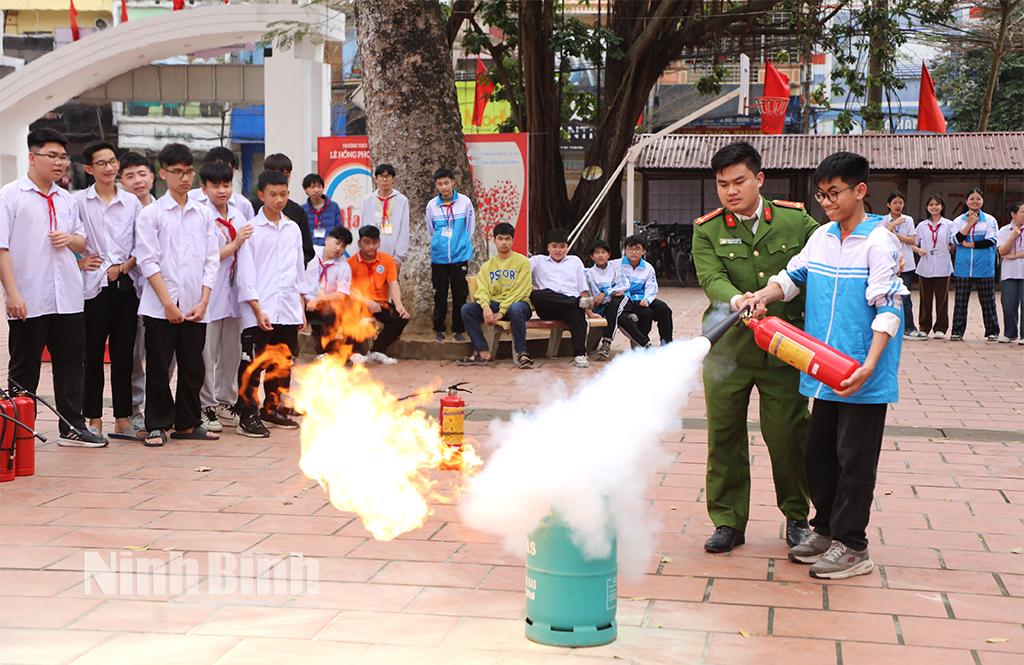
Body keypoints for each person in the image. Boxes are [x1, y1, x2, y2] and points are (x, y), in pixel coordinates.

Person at [748, 151, 906, 580]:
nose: (827, 203)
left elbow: (889, 309)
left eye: (834, 193)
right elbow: (791, 278)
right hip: (822, 369)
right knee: (818, 454)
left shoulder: (879, 242)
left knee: (854, 457)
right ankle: (824, 529)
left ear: (860, 191)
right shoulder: (821, 238)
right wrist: (760, 296)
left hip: (860, 375)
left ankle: (853, 544)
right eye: (822, 195)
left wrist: (870, 365)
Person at [691, 141, 817, 554]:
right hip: (728, 351)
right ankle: (728, 521)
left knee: (788, 436)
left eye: (739, 181)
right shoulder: (707, 229)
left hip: (784, 349)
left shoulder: (795, 221)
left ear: (759, 179)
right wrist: (738, 299)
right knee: (723, 436)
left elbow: (826, 252)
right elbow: (712, 280)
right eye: (722, 184)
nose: (730, 191)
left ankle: (797, 517)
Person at [0, 128, 106, 447]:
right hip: (29, 297)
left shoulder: (65, 199)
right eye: (52, 156)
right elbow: (1, 248)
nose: (60, 163)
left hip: (69, 298)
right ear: (32, 157)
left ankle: (72, 427)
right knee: (24, 367)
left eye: (63, 157)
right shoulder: (11, 195)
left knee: (72, 365)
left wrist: (70, 240)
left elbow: (81, 239)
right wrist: (13, 293)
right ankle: (19, 431)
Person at [134, 143, 220, 447]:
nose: (185, 178)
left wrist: (204, 300)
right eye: (177, 172)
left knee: (193, 366)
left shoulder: (203, 213)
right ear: (163, 174)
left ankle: (187, 423)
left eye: (188, 171)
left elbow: (212, 259)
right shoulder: (152, 214)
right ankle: (157, 424)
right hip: (160, 307)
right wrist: (168, 303)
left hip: (196, 305)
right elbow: (148, 261)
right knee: (158, 366)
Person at [75, 140, 143, 441]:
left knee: (124, 355)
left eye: (112, 161)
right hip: (92, 289)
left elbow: (142, 245)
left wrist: (124, 267)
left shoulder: (132, 203)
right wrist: (81, 262)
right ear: (89, 168)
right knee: (91, 356)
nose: (109, 167)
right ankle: (92, 419)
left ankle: (123, 419)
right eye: (101, 163)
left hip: (125, 288)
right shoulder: (78, 202)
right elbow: (72, 241)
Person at [235, 170, 310, 437]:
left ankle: (273, 407)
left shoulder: (292, 228)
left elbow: (299, 270)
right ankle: (248, 414)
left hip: (287, 307)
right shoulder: (252, 231)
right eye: (273, 195)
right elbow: (246, 274)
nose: (279, 200)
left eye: (284, 194)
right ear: (261, 195)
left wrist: (301, 305)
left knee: (283, 362)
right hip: (261, 307)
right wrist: (256, 308)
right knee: (255, 364)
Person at [197, 161, 251, 434]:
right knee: (207, 352)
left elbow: (248, 257)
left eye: (227, 185)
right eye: (216, 185)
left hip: (234, 294)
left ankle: (224, 401)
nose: (222, 190)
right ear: (203, 187)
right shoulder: (200, 216)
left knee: (231, 351)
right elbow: (205, 257)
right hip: (209, 292)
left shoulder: (239, 216)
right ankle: (205, 404)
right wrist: (234, 244)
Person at [458, 222, 533, 368]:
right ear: (495, 240)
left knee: (516, 309)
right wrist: (486, 307)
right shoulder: (487, 266)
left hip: (518, 305)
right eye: (500, 238)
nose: (504, 242)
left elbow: (521, 291)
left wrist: (501, 312)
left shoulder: (522, 262)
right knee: (467, 309)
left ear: (512, 240)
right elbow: (482, 290)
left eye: (507, 238)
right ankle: (483, 351)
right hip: (495, 304)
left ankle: (521, 353)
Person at [120, 151, 156, 433]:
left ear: (153, 177)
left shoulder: (164, 209)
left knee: (163, 356)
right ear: (121, 181)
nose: (137, 181)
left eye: (142, 174)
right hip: (131, 293)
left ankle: (159, 405)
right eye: (130, 176)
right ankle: (134, 409)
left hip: (162, 295)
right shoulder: (123, 212)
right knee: (133, 355)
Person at [529, 229, 593, 368]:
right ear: (548, 247)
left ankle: (580, 354)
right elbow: (521, 272)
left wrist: (589, 312)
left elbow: (582, 288)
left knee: (577, 314)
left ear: (567, 247)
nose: (558, 250)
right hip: (548, 306)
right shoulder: (537, 261)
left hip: (569, 307)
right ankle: (575, 302)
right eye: (554, 246)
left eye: (562, 247)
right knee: (537, 295)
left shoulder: (575, 261)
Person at [347, 225, 410, 364]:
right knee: (348, 315)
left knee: (401, 318)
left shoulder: (387, 260)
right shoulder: (350, 263)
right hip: (360, 303)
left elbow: (393, 283)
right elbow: (348, 290)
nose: (371, 246)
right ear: (359, 243)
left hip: (380, 304)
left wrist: (399, 305)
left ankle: (377, 351)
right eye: (367, 242)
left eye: (374, 242)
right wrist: (366, 302)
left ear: (379, 242)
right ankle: (354, 352)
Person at [425, 167, 474, 342]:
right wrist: (439, 245)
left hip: (459, 256)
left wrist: (460, 245)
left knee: (460, 293)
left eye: (447, 183)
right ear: (436, 186)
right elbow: (431, 229)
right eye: (440, 184)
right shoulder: (432, 205)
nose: (444, 187)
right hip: (439, 258)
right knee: (440, 293)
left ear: (453, 182)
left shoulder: (465, 202)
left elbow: (470, 228)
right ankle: (438, 328)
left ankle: (459, 329)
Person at [950, 187, 1000, 341]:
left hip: (984, 266)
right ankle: (957, 331)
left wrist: (970, 245)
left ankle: (992, 331)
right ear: (966, 201)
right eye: (972, 198)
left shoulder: (990, 220)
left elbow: (991, 240)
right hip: (963, 267)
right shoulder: (959, 220)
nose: (975, 201)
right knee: (960, 301)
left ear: (982, 201)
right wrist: (969, 224)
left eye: (978, 198)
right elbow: (954, 240)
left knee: (988, 301)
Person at [586, 239, 646, 360]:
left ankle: (606, 344)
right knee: (623, 319)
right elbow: (593, 296)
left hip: (622, 301)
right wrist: (610, 293)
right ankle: (646, 345)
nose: (600, 255)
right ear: (592, 257)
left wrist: (605, 292)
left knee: (615, 303)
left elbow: (624, 285)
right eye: (597, 253)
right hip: (604, 307)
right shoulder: (588, 273)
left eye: (603, 252)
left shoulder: (616, 267)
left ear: (609, 255)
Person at [882, 192, 926, 340]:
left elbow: (911, 240)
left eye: (900, 202)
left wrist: (895, 234)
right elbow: (882, 237)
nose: (898, 205)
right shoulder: (883, 220)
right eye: (895, 203)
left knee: (906, 298)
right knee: (887, 297)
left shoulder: (908, 220)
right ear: (888, 205)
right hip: (888, 265)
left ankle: (909, 328)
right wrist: (894, 225)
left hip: (906, 264)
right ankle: (888, 329)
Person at [258, 153, 315, 265]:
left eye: (287, 175)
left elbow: (307, 251)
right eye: (278, 175)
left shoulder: (297, 211)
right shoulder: (252, 208)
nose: (282, 179)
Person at [305, 224, 353, 355]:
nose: (339, 248)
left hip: (325, 305)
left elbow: (341, 294)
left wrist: (318, 300)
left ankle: (328, 353)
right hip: (302, 301)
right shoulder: (311, 253)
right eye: (337, 243)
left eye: (343, 246)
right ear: (327, 239)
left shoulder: (344, 266)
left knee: (333, 313)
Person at [620, 235, 674, 347]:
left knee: (664, 309)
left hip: (642, 298)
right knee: (646, 313)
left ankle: (666, 343)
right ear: (625, 250)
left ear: (643, 251)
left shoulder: (648, 268)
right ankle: (643, 343)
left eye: (637, 249)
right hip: (626, 300)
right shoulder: (617, 265)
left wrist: (647, 300)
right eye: (630, 248)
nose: (634, 252)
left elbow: (652, 286)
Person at [914, 196, 954, 338]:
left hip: (943, 266)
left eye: (937, 204)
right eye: (931, 204)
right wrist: (918, 250)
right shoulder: (922, 226)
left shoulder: (949, 224)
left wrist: (952, 247)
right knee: (925, 298)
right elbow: (913, 243)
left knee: (942, 299)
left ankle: (941, 328)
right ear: (927, 207)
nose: (934, 207)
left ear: (942, 207)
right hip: (925, 265)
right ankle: (924, 327)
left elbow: (954, 241)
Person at [362, 164, 410, 266]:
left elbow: (404, 230)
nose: (384, 180)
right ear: (376, 179)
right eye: (381, 177)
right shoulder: (368, 200)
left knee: (391, 281)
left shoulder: (402, 200)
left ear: (393, 179)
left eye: (388, 177)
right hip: (371, 253)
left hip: (393, 255)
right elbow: (363, 226)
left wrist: (399, 256)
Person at [189, 147, 255, 220]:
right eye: (215, 168)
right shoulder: (191, 198)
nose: (220, 172)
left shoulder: (243, 204)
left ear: (233, 171)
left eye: (226, 169)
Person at [997, 202, 1024, 344]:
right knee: (1008, 304)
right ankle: (1010, 333)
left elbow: (1010, 255)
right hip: (1009, 273)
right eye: (1022, 212)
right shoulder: (1003, 231)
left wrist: (1015, 256)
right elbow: (1002, 251)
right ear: (1013, 214)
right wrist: (1013, 236)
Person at [301, 173, 342, 256]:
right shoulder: (302, 210)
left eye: (319, 187)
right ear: (305, 189)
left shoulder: (334, 207)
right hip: (310, 253)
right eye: (312, 187)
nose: (316, 190)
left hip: (330, 251)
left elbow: (339, 230)